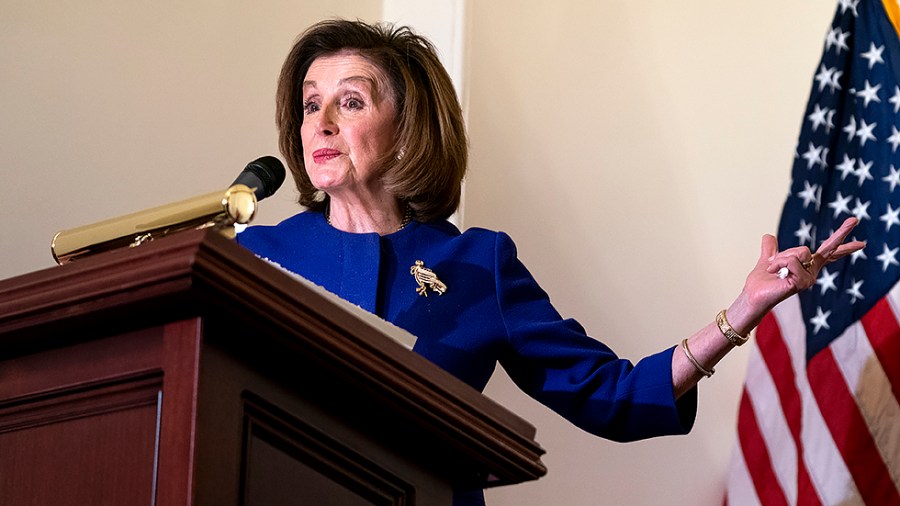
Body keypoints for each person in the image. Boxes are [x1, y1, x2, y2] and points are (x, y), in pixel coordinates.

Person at [237, 19, 864, 506]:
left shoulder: (476, 263)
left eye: (349, 102)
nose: (317, 123)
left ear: (405, 129)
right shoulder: (255, 257)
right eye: (308, 103)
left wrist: (743, 311)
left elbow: (609, 395)